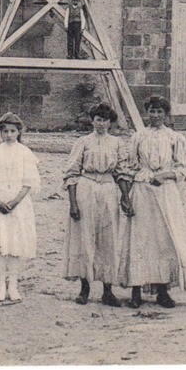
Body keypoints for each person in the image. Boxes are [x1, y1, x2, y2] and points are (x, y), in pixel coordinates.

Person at [118, 96, 186, 309]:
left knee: (165, 239)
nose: (155, 116)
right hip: (142, 191)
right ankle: (136, 290)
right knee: (140, 239)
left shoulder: (175, 138)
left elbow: (183, 169)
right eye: (152, 111)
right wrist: (125, 197)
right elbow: (128, 168)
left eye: (160, 112)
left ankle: (163, 291)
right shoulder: (138, 137)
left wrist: (164, 176)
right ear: (147, 113)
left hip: (165, 193)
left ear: (166, 114)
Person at [63, 103, 131, 307]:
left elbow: (122, 171)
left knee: (108, 239)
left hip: (109, 188)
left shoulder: (118, 143)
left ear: (111, 122)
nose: (102, 124)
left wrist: (125, 197)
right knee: (85, 237)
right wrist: (73, 203)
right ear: (92, 121)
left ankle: (107, 290)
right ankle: (84, 288)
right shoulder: (83, 142)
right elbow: (71, 173)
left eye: (106, 120)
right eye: (98, 119)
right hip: (87, 187)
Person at [0, 112, 41, 302]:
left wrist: (15, 201)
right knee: (0, 243)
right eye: (5, 131)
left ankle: (13, 285)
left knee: (14, 244)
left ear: (18, 132)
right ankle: (0, 285)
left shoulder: (25, 153)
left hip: (18, 202)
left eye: (12, 131)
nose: (8, 135)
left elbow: (29, 182)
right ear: (0, 133)